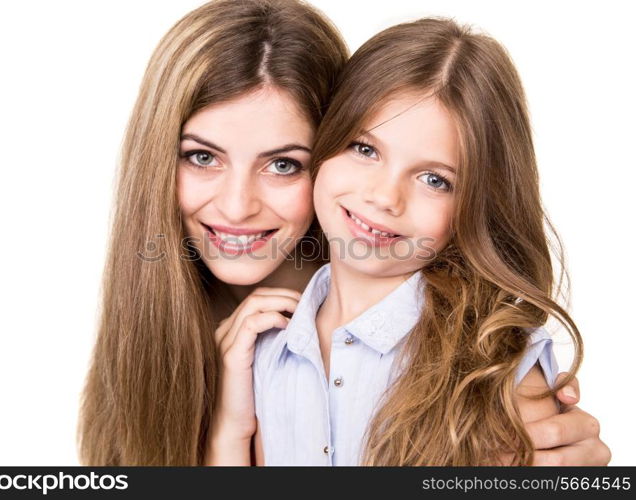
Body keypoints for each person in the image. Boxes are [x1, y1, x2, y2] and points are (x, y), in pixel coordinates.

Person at [210, 16, 611, 465]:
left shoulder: (494, 363)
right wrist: (230, 430)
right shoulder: (269, 352)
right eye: (365, 149)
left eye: (434, 180)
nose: (383, 197)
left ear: (473, 205)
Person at [77, 0, 348, 465]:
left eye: (283, 165)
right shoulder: (158, 321)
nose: (236, 206)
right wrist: (228, 431)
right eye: (203, 157)